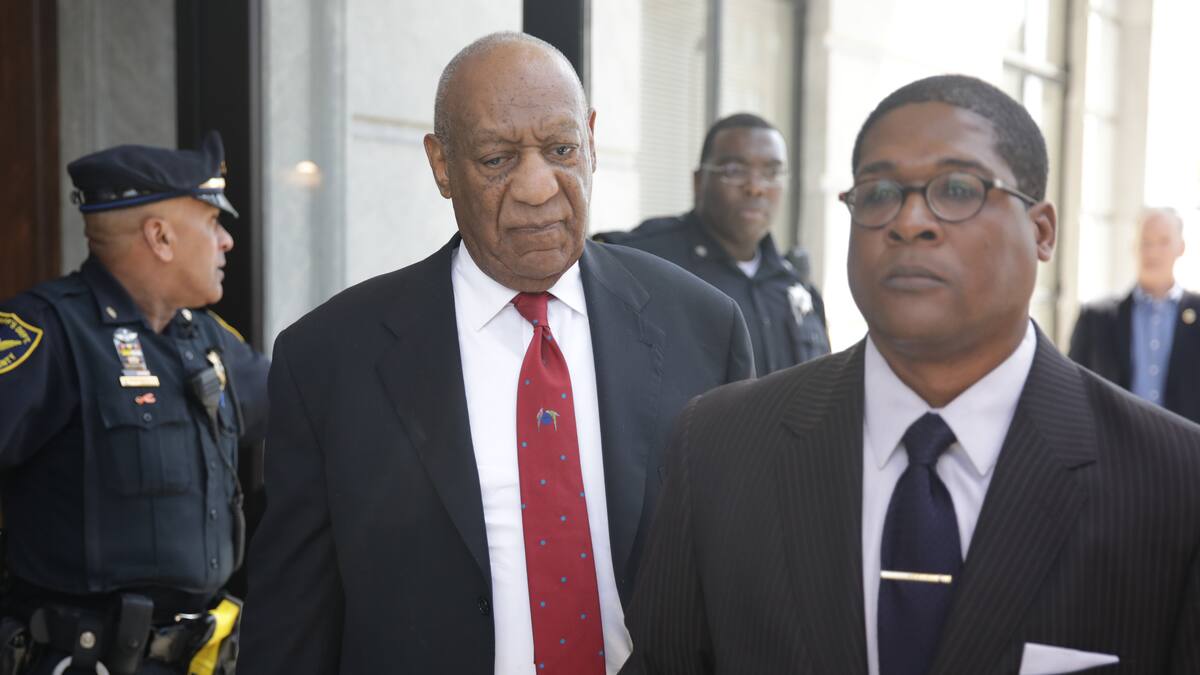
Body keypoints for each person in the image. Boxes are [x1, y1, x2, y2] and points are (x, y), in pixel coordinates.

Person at [621, 75, 1200, 674]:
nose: (909, 220)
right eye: (878, 193)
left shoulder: (1176, 482)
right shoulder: (720, 447)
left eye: (958, 188)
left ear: (1041, 230)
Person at [239, 32, 753, 675]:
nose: (538, 188)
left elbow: (745, 587)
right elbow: (292, 625)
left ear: (592, 141)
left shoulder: (703, 328)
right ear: (441, 165)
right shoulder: (328, 361)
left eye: (561, 149)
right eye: (497, 159)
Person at [0, 131, 270, 675]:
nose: (226, 242)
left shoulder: (208, 339)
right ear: (160, 237)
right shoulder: (47, 333)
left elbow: (309, 408)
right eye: (212, 223)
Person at [597, 114, 830, 373]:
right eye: (735, 171)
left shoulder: (794, 286)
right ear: (699, 182)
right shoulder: (642, 262)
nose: (755, 187)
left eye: (772, 173)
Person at [1069, 208, 1200, 423]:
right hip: (1114, 441)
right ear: (1134, 246)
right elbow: (1072, 387)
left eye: (1163, 242)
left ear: (1181, 247)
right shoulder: (1096, 318)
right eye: (1146, 242)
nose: (1153, 252)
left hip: (1186, 442)